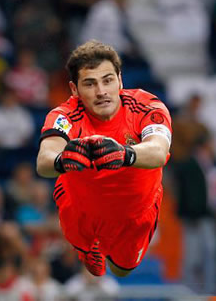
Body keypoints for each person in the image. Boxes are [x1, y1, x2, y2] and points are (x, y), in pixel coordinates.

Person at [36, 40, 172, 277]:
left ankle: (110, 253)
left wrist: (125, 153)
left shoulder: (147, 106)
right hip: (81, 209)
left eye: (107, 80)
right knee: (93, 264)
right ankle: (89, 249)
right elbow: (45, 159)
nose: (101, 92)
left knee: (121, 270)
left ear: (120, 80)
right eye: (90, 84)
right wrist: (61, 160)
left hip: (135, 212)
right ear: (74, 89)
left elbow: (158, 151)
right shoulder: (64, 115)